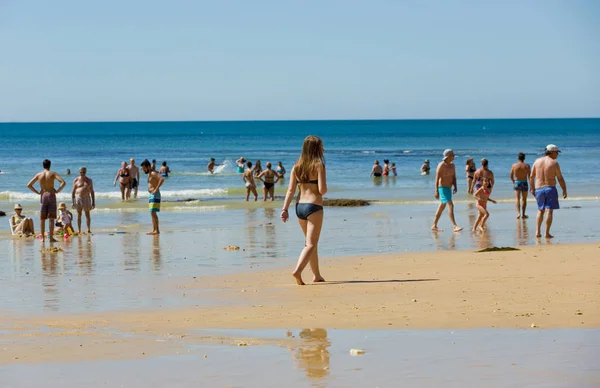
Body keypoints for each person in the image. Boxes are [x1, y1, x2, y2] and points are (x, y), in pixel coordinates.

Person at [281, 135, 327, 285]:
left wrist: (284, 209)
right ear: (316, 149)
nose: (323, 149)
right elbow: (322, 190)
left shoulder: (296, 166)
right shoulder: (318, 165)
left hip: (299, 207)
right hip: (314, 206)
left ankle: (317, 275)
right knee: (311, 244)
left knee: (310, 243)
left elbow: (290, 190)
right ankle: (298, 270)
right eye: (321, 146)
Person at [530, 144, 567, 239]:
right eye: (557, 153)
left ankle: (537, 231)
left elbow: (531, 176)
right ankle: (547, 233)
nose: (557, 155)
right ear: (552, 152)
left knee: (540, 210)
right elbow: (560, 178)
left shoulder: (537, 161)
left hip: (539, 189)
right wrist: (564, 189)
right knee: (549, 211)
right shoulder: (554, 163)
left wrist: (532, 188)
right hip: (550, 188)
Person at [26, 159, 66, 242]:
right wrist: (58, 190)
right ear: (50, 165)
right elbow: (63, 182)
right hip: (51, 195)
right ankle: (51, 238)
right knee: (51, 219)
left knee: (42, 218)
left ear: (43, 165)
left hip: (43, 195)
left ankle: (43, 239)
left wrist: (37, 192)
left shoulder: (39, 174)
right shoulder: (53, 174)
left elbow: (29, 185)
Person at [431, 149, 463, 232]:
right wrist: (436, 191)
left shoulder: (453, 165)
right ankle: (455, 226)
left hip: (449, 188)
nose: (454, 156)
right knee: (451, 205)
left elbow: (454, 177)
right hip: (442, 188)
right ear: (448, 156)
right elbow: (437, 178)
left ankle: (434, 225)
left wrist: (455, 186)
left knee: (442, 206)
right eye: (453, 155)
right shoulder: (441, 165)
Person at [141, 159, 165, 235]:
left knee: (153, 213)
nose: (143, 170)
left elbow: (161, 179)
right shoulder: (149, 174)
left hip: (155, 194)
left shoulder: (153, 173)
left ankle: (157, 230)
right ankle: (154, 229)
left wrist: (156, 189)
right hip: (151, 194)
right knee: (152, 213)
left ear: (148, 167)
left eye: (144, 168)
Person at [72, 166, 95, 234]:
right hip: (78, 198)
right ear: (79, 172)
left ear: (86, 172)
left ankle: (88, 229)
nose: (82, 173)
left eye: (83, 172)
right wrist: (72, 202)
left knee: (87, 214)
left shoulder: (89, 180)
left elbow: (92, 191)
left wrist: (93, 202)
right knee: (79, 214)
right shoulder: (76, 180)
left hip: (87, 198)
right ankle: (79, 230)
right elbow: (73, 191)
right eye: (81, 172)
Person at [510, 152, 531, 219]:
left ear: (518, 158)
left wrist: (513, 181)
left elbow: (511, 175)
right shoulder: (527, 166)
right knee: (524, 199)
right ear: (524, 158)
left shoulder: (514, 165)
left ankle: (518, 213)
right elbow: (529, 177)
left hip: (517, 182)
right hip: (524, 182)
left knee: (517, 199)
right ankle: (523, 214)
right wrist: (531, 185)